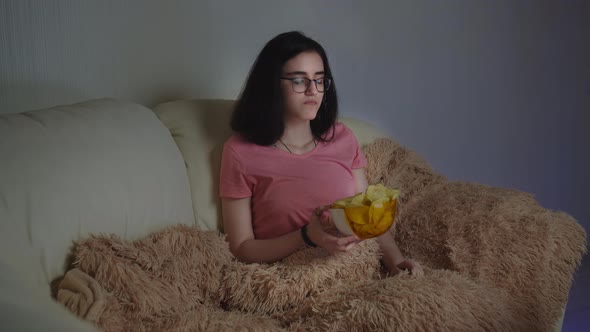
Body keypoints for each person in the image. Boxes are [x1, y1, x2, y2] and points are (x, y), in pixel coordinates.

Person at [219, 31, 423, 276]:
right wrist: (307, 236)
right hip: (293, 276)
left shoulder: (342, 137)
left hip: (357, 268)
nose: (313, 91)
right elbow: (240, 248)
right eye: (299, 81)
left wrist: (396, 261)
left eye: (319, 80)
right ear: (271, 84)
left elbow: (366, 214)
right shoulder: (240, 152)